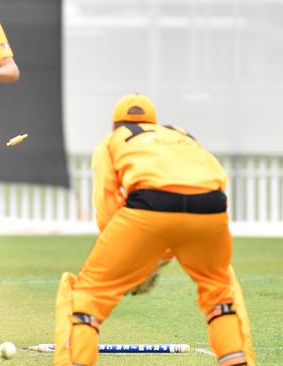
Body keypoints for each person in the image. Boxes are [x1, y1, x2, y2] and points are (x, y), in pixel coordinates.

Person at [53, 94, 248, 366]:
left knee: (89, 296)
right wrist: (163, 254)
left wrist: (131, 257)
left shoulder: (114, 139)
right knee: (219, 295)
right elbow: (213, 178)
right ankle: (235, 360)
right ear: (153, 122)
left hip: (149, 208)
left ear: (115, 124)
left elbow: (107, 202)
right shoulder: (183, 135)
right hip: (211, 207)